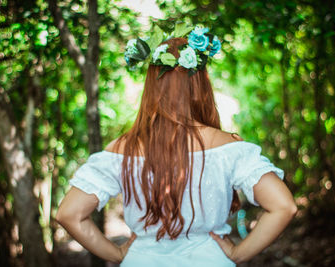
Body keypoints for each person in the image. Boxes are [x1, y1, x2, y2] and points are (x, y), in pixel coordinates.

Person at [56, 25, 297, 266]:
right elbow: (283, 206)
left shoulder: (121, 150)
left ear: (152, 86)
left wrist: (116, 254)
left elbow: (69, 214)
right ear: (200, 86)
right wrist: (238, 253)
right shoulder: (229, 148)